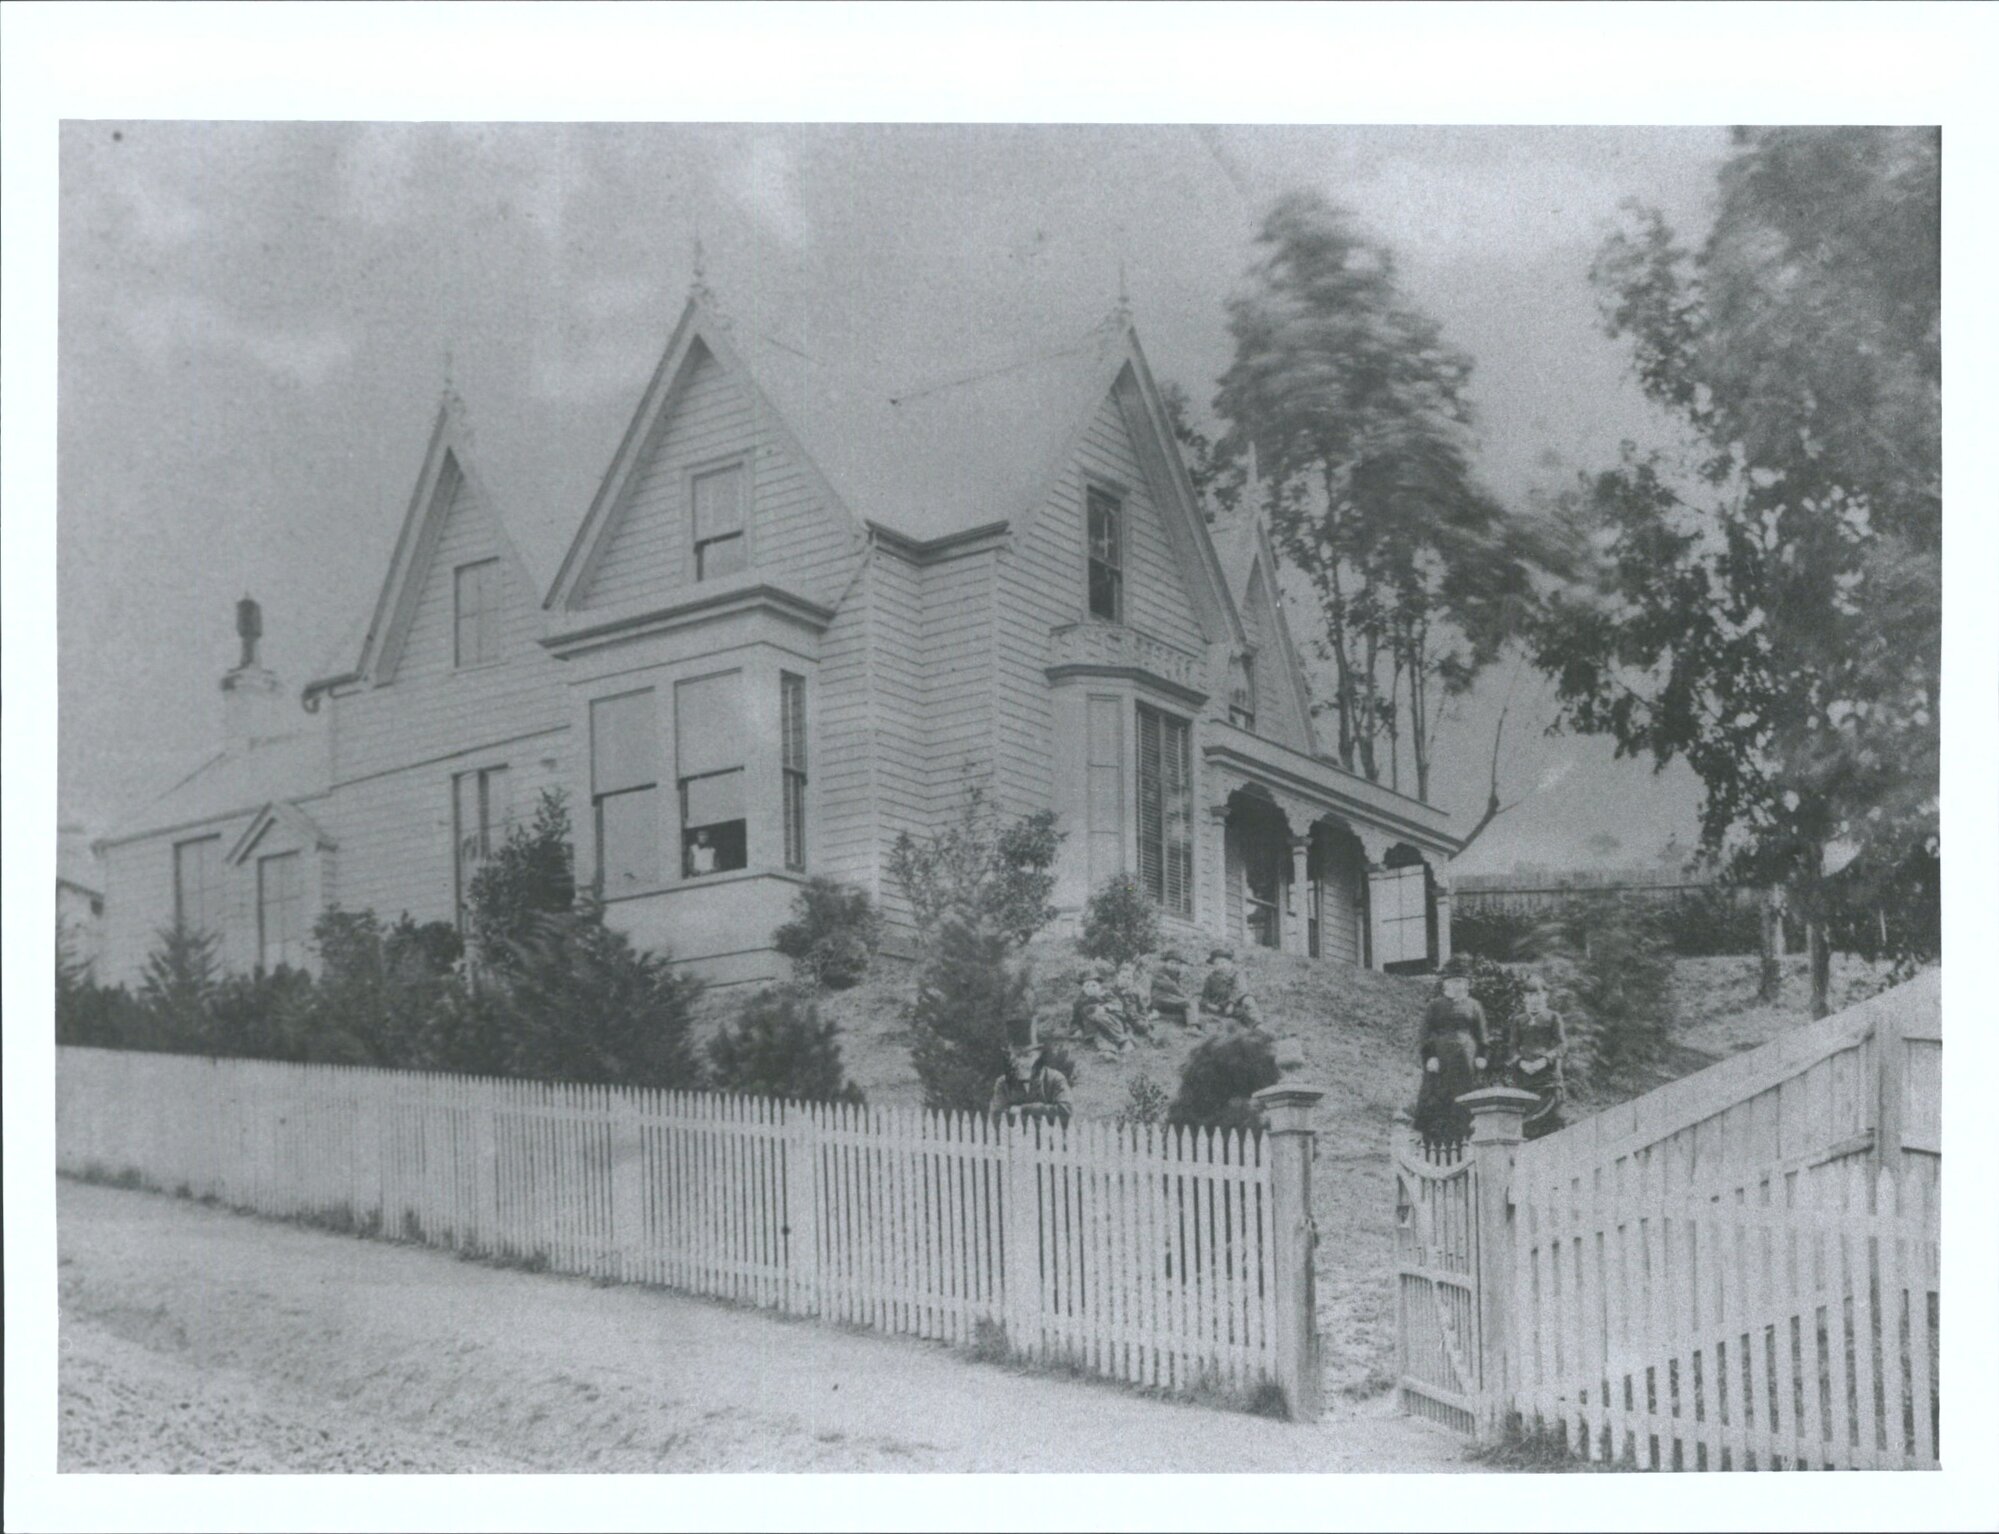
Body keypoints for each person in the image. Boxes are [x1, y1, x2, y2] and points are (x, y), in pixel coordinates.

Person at [1413, 958, 1488, 1151]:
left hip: (1466, 1061)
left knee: (1466, 1096)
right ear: (1445, 983)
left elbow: (1482, 1035)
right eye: (1453, 981)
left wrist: (1482, 1055)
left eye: (1461, 981)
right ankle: (1436, 1144)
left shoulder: (1474, 1006)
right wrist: (1430, 1056)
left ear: (1467, 984)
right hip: (1441, 1060)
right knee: (1438, 1097)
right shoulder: (1435, 1006)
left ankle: (1466, 1143)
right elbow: (1425, 1034)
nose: (1457, 985)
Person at [1512, 974, 1568, 1140]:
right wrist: (1521, 1063)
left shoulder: (1553, 1017)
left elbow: (1562, 1045)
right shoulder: (1518, 1020)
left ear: (1545, 996)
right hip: (1525, 1079)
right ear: (1524, 998)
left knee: (1554, 1121)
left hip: (1548, 1079)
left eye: (1538, 994)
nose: (1534, 999)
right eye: (1530, 995)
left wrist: (1545, 1060)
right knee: (1527, 1125)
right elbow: (1512, 1048)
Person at [989, 1032, 1073, 1127]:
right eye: (1016, 1056)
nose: (1021, 1062)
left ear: (1038, 1055)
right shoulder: (1003, 1083)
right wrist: (1043, 1114)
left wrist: (1023, 1109)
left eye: (1027, 1056)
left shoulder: (1055, 1078)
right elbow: (997, 1117)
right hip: (1014, 1135)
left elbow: (1066, 1111)